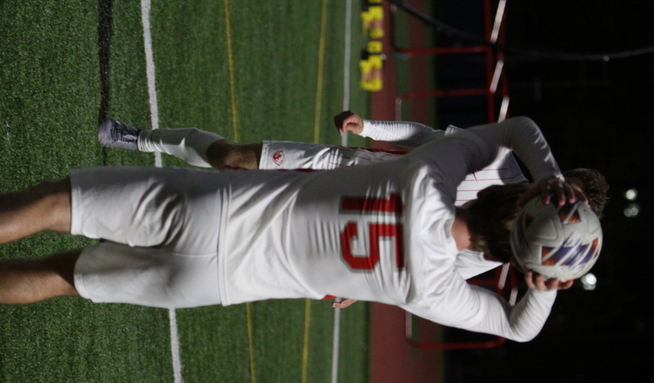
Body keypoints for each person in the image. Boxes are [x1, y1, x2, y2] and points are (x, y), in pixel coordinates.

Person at [0, 117, 587, 342]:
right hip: (212, 283)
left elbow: (518, 131)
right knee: (63, 276)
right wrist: (548, 276)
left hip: (214, 211)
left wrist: (560, 185)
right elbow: (522, 327)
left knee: (58, 201)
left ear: (519, 195)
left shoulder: (434, 171)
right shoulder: (436, 287)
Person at [99, 111, 608, 283]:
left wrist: (358, 275)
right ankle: (139, 137)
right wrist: (371, 128)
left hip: (344, 220)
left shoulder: (496, 245)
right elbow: (425, 136)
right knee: (230, 159)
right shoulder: (498, 159)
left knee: (219, 215)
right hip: (344, 169)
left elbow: (424, 268)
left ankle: (119, 222)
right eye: (565, 197)